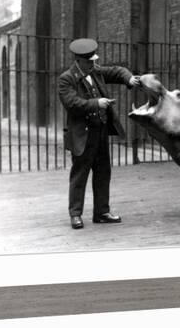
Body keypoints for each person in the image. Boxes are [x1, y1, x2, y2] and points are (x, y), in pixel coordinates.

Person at [58, 38, 140, 229]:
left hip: (100, 132)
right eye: (89, 61)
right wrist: (97, 103)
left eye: (94, 61)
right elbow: (72, 104)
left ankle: (102, 212)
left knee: (103, 172)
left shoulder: (94, 71)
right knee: (80, 175)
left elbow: (117, 71)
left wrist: (129, 78)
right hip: (82, 135)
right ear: (78, 61)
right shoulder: (66, 79)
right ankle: (75, 215)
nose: (93, 64)